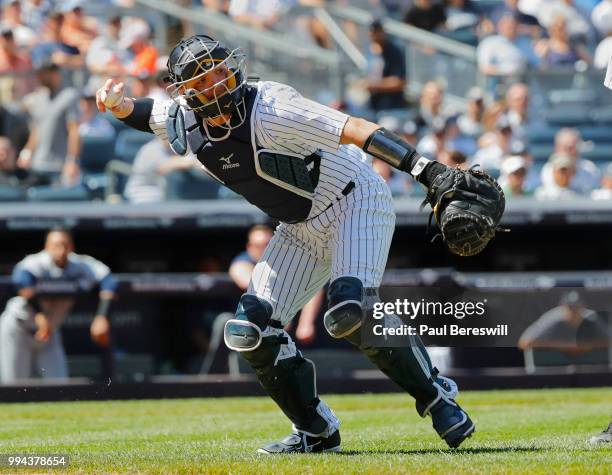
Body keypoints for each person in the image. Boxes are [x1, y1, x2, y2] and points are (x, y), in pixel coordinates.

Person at [96, 34, 502, 453]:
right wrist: (116, 104)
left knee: (350, 313)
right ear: (188, 93)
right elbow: (145, 113)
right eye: (203, 79)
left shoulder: (272, 107)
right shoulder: (185, 120)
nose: (217, 81)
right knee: (247, 332)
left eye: (219, 69)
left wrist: (428, 170)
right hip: (298, 227)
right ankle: (315, 430)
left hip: (353, 200)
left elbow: (356, 128)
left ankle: (436, 396)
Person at [0, 228, 116, 383]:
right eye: (55, 245)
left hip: (50, 333)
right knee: (15, 386)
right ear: (46, 247)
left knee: (59, 384)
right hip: (18, 329)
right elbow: (21, 281)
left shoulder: (81, 265)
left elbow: (109, 280)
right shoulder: (36, 262)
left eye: (65, 245)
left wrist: (102, 316)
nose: (60, 250)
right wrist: (40, 315)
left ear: (72, 247)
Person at [364, 20, 407, 112]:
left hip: (392, 107)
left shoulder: (394, 52)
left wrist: (374, 85)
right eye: (372, 32)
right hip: (373, 105)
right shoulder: (370, 51)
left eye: (376, 32)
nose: (374, 35)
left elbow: (399, 82)